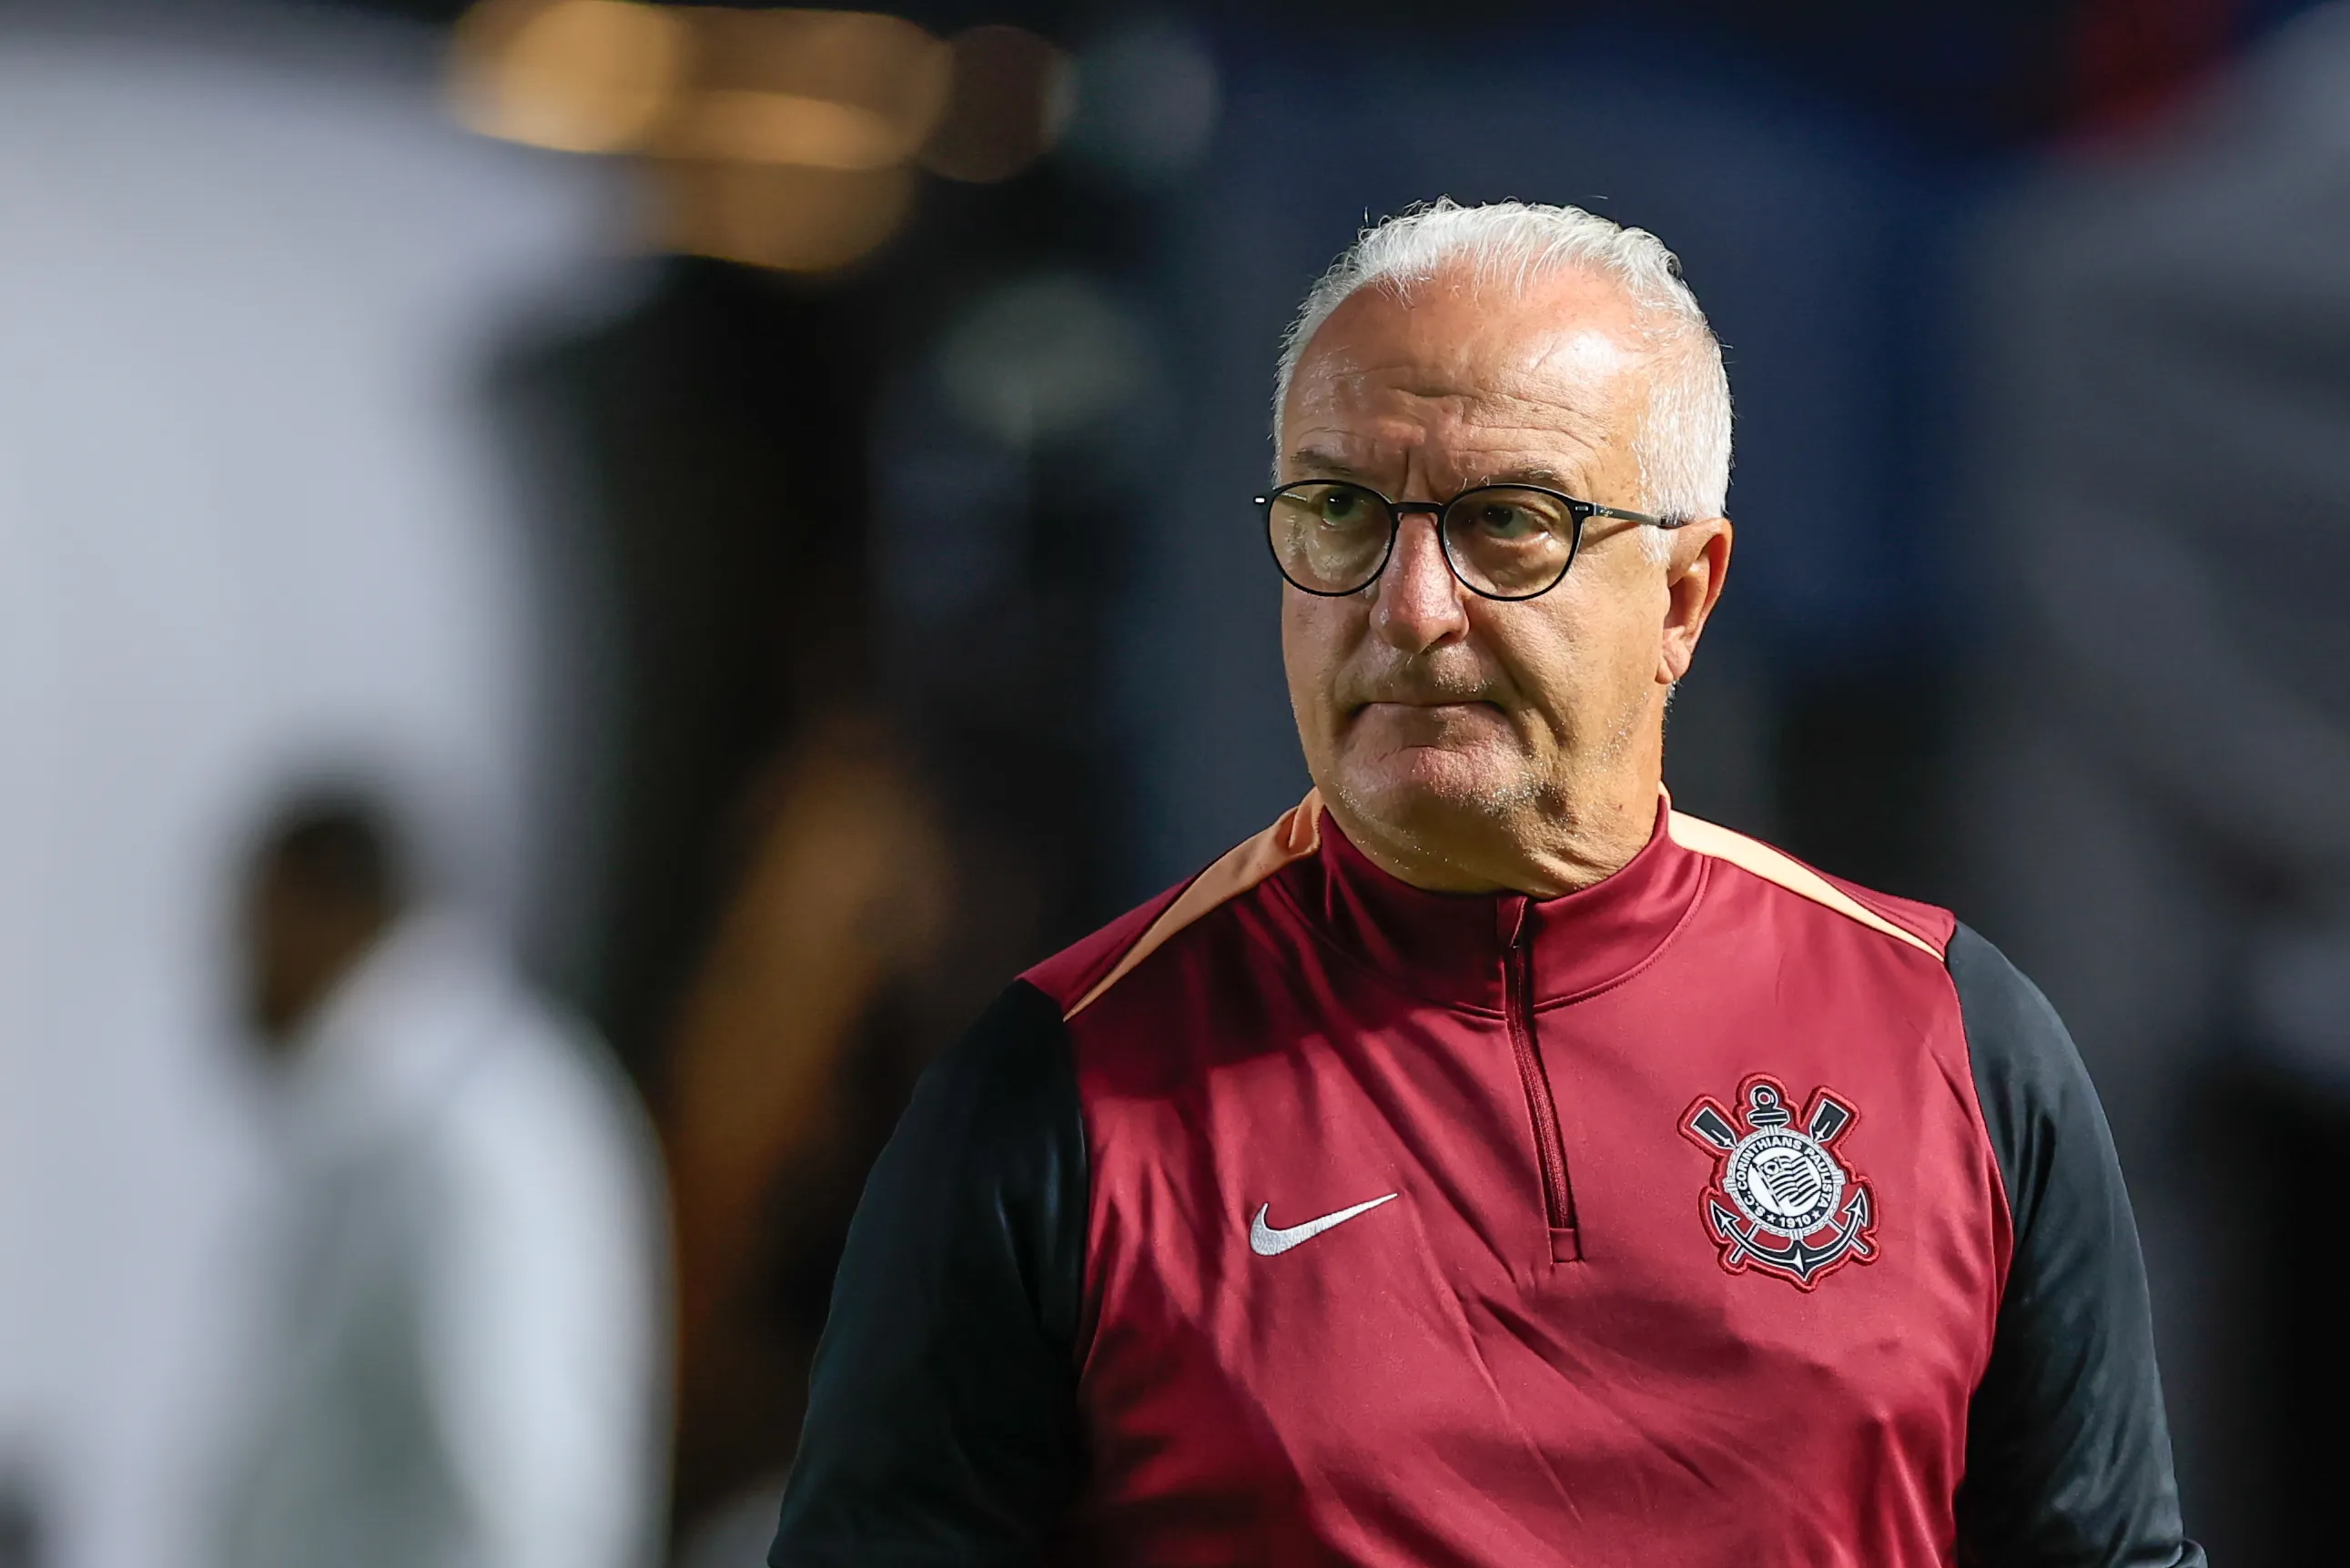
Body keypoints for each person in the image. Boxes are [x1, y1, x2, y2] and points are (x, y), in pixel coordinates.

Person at [768, 200, 2202, 1565]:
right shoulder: (1054, 1089)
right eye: (1338, 510)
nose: (1406, 611)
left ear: (1684, 595)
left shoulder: (1952, 1036)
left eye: (1506, 520)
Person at [216, 794, 669, 1568]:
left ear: (326, 914)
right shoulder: (410, 1108)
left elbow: (531, 1496)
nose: (235, 971)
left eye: (253, 926)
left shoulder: (473, 1127)